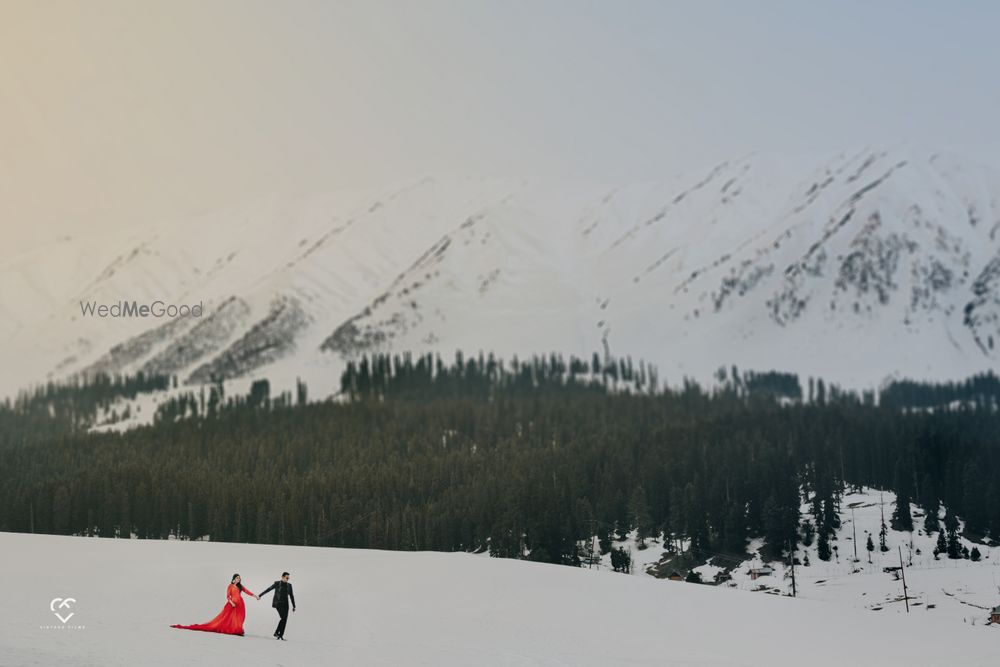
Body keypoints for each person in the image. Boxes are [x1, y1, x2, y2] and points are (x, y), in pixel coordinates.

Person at [171, 574, 257, 636]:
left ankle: (238, 629)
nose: (239, 579)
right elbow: (228, 596)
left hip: (240, 604)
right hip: (232, 604)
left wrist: (255, 596)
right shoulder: (230, 586)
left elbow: (247, 591)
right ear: (234, 579)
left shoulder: (240, 586)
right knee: (228, 618)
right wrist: (231, 603)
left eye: (239, 578)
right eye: (237, 578)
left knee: (239, 618)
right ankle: (234, 629)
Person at [257, 571, 296, 640]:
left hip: (286, 604)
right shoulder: (277, 583)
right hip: (278, 604)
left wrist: (294, 605)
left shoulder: (289, 585)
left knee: (284, 620)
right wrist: (260, 595)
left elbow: (291, 596)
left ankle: (280, 635)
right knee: (283, 618)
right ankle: (276, 632)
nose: (288, 579)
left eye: (288, 578)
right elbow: (268, 589)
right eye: (287, 578)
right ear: (283, 577)